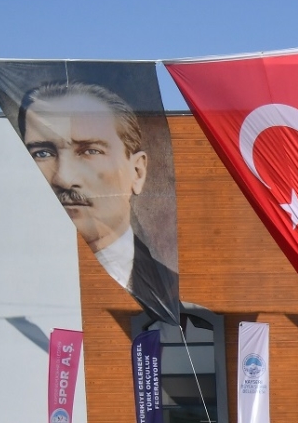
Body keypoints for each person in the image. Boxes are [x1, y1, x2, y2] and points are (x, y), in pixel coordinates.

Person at [18, 81, 180, 322]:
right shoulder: (9, 286)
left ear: (137, 172)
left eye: (90, 151)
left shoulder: (173, 293)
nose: (64, 178)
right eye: (42, 153)